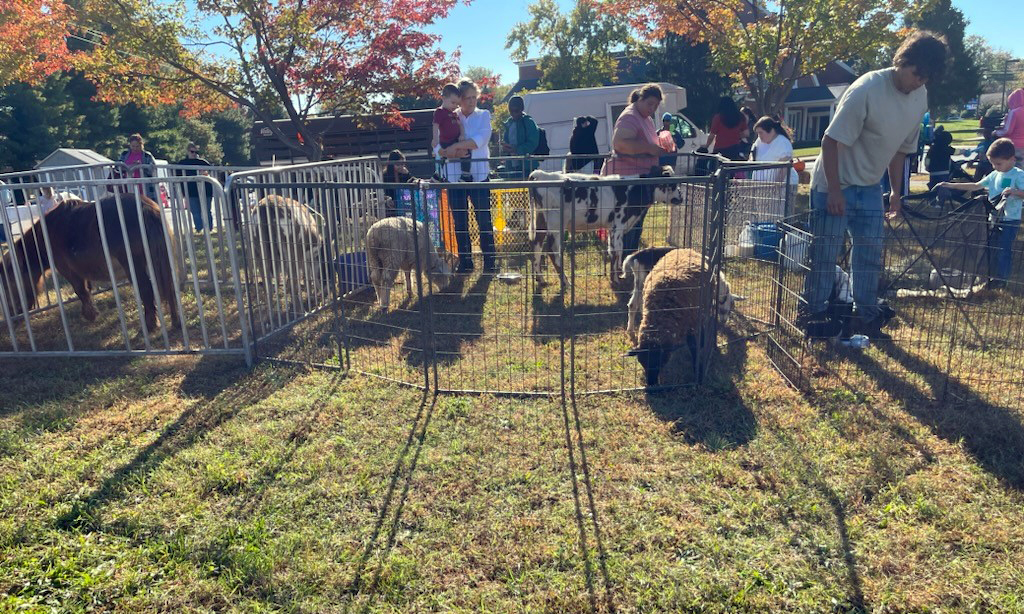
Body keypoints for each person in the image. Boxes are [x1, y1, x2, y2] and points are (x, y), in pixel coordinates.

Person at [801, 30, 948, 340]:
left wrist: (896, 192)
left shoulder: (920, 97)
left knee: (869, 253)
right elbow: (830, 142)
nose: (918, 82)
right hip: (833, 182)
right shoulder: (867, 88)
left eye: (926, 79)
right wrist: (836, 191)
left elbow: (900, 151)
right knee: (825, 253)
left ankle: (866, 315)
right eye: (916, 74)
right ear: (902, 61)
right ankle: (812, 314)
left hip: (869, 186)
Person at [938, 138, 1024, 288]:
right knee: (991, 248)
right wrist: (951, 186)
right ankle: (991, 276)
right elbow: (976, 186)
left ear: (1012, 159)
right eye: (993, 164)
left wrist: (1014, 192)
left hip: (1010, 220)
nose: (995, 167)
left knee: (1004, 248)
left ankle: (1002, 280)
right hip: (993, 218)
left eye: (998, 164)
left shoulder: (1018, 175)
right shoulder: (995, 174)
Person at [603, 83, 671, 263]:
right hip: (626, 182)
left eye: (656, 106)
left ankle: (628, 262)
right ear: (640, 99)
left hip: (638, 181)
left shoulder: (644, 118)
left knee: (635, 225)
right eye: (650, 104)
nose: (653, 109)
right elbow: (619, 143)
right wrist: (649, 148)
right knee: (626, 226)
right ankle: (622, 262)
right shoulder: (630, 117)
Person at [440, 78, 496, 273]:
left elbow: (480, 140)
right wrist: (448, 152)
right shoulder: (449, 116)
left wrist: (454, 146)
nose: (471, 101)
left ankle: (490, 262)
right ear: (459, 99)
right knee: (460, 222)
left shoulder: (483, 115)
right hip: (455, 178)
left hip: (479, 176)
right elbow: (438, 146)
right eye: (467, 98)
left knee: (484, 220)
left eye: (474, 97)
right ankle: (466, 262)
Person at [432, 83, 469, 180]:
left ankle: (465, 174)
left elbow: (460, 125)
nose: (455, 106)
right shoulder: (440, 112)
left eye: (457, 104)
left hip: (455, 140)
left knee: (466, 153)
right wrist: (435, 139)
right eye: (453, 103)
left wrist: (462, 134)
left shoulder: (454, 114)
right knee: (444, 156)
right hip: (445, 140)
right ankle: (438, 175)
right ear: (443, 98)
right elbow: (435, 125)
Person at [175, 142, 214, 232]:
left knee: (207, 211)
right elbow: (177, 178)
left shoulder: (203, 162)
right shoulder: (182, 164)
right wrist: (182, 192)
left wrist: (206, 174)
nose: (194, 154)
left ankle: (209, 229)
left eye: (196, 152)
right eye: (192, 151)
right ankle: (199, 229)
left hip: (205, 191)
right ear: (188, 151)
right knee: (195, 212)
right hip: (191, 192)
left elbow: (212, 173)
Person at [750, 116, 799, 186]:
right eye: (758, 133)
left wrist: (775, 186)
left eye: (761, 132)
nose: (759, 136)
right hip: (762, 187)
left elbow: (783, 169)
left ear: (772, 130)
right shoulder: (759, 141)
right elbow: (752, 156)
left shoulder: (783, 143)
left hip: (783, 187)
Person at [500, 95, 540, 179]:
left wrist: (517, 149)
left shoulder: (529, 122)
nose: (514, 113)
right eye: (511, 110)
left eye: (516, 110)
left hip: (528, 166)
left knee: (528, 191)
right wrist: (505, 147)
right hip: (511, 165)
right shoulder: (509, 123)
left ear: (522, 109)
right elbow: (507, 141)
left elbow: (533, 143)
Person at [116, 133, 157, 200]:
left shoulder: (147, 155)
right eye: (133, 146)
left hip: (144, 185)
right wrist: (125, 167)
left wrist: (142, 166)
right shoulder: (124, 154)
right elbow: (117, 166)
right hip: (128, 184)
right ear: (130, 145)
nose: (135, 148)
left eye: (137, 146)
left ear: (141, 145)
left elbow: (153, 170)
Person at [994, 88, 1024, 168]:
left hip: (1014, 145)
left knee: (1015, 168)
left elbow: (1007, 130)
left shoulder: (1014, 112)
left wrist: (996, 133)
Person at [383, 150, 415, 218]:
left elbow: (412, 180)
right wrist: (388, 199)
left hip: (404, 202)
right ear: (391, 164)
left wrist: (407, 174)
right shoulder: (385, 175)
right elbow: (384, 192)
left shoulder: (404, 172)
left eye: (403, 164)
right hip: (392, 205)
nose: (401, 166)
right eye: (398, 164)